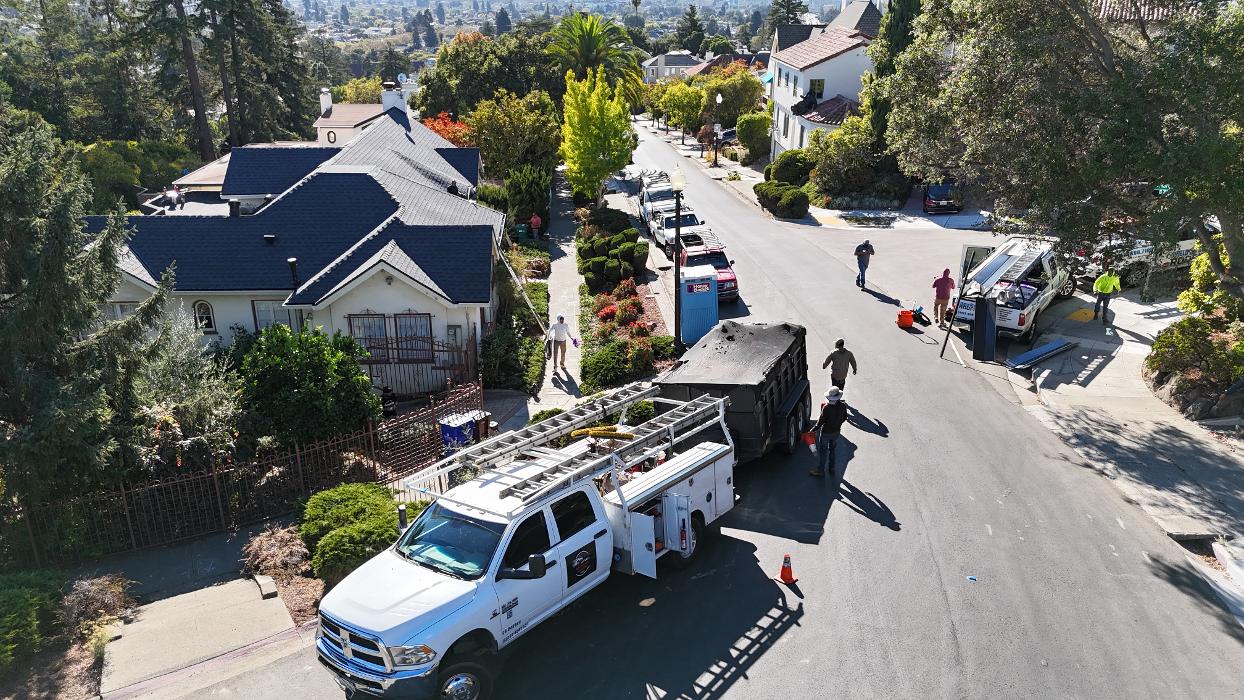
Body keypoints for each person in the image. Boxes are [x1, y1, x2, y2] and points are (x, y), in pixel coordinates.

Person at [810, 387, 849, 478]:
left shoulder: (826, 408)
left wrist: (812, 430)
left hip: (826, 433)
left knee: (823, 451)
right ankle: (832, 468)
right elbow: (844, 417)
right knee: (832, 450)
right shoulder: (843, 406)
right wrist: (838, 424)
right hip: (836, 432)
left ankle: (820, 471)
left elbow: (820, 422)